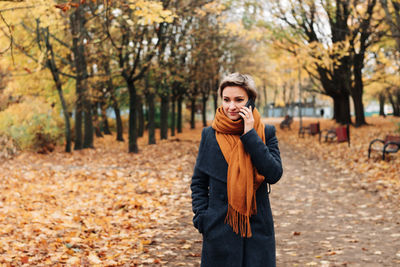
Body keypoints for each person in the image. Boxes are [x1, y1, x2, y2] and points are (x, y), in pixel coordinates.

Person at [191, 73, 283, 267]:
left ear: (251, 101)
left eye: (239, 100)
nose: (231, 106)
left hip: (257, 229)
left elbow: (274, 174)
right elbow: (199, 182)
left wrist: (250, 135)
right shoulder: (210, 135)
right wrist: (203, 219)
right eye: (226, 99)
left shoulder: (265, 133)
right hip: (218, 228)